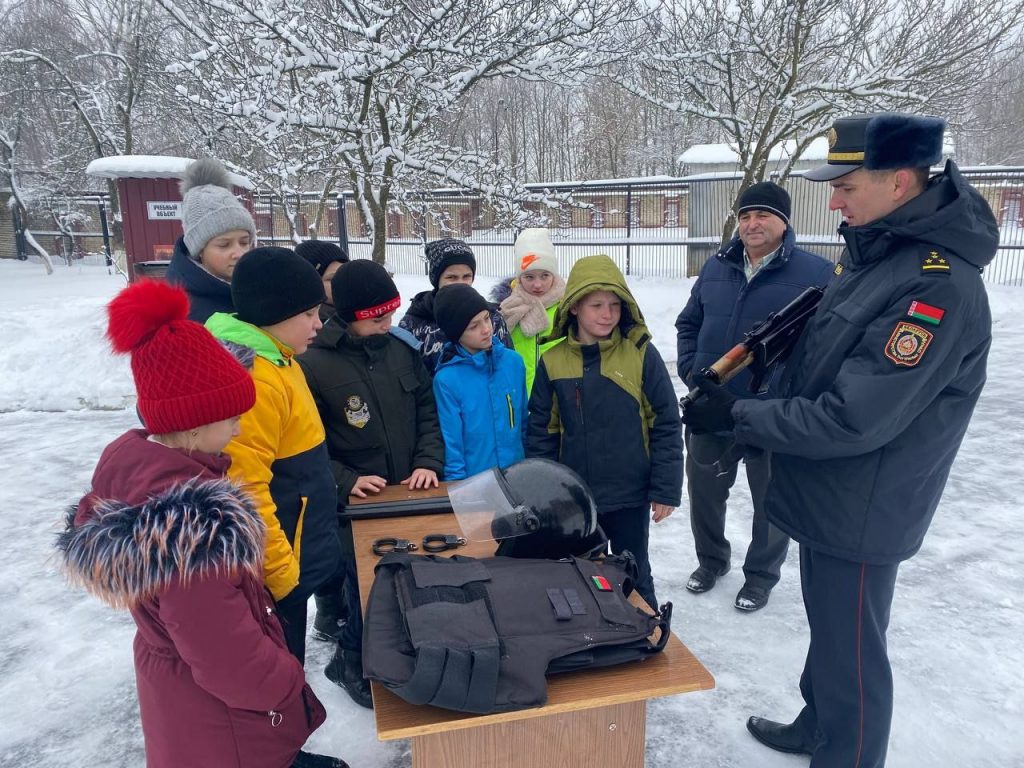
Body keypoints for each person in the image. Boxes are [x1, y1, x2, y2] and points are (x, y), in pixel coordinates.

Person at [681, 113, 997, 767]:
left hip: (864, 502)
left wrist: (739, 417)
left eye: (847, 184)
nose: (833, 199)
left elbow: (853, 416)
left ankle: (846, 750)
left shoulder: (933, 286)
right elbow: (822, 365)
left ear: (901, 181)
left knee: (853, 648)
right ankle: (818, 723)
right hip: (831, 491)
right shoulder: (876, 258)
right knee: (831, 630)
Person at [57, 279, 347, 768]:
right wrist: (285, 678)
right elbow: (230, 661)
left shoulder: (140, 472)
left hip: (187, 698)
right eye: (232, 417)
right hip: (224, 719)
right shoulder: (193, 534)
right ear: (194, 423)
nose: (239, 428)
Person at [675, 182, 834, 612]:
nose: (752, 223)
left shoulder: (818, 275)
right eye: (745, 215)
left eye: (763, 214)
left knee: (771, 502)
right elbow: (688, 323)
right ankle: (711, 561)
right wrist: (693, 373)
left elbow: (824, 349)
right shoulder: (715, 267)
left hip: (771, 414)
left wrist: (787, 394)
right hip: (712, 410)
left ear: (784, 221)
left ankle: (761, 576)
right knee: (705, 493)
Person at [298, 259, 444, 708]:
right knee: (368, 588)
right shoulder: (314, 363)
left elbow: (426, 411)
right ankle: (350, 660)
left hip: (407, 491)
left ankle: (399, 653)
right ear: (351, 315)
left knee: (411, 579)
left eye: (391, 314)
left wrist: (427, 460)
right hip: (358, 503)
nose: (388, 323)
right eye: (377, 317)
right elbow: (310, 442)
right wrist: (346, 481)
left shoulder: (401, 348)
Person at [206, 246, 342, 665]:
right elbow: (244, 490)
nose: (318, 324)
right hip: (278, 567)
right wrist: (282, 575)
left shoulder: (281, 358)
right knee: (279, 666)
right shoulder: (255, 380)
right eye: (308, 314)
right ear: (272, 313)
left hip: (297, 548)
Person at [526, 255, 683, 611]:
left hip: (629, 494)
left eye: (615, 305)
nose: (607, 314)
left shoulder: (641, 355)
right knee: (576, 574)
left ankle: (646, 634)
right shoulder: (553, 361)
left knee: (633, 570)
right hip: (574, 500)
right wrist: (544, 493)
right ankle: (587, 638)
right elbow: (541, 431)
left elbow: (666, 422)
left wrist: (665, 488)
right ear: (575, 307)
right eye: (596, 305)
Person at [432, 283, 527, 479]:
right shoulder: (447, 380)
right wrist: (457, 491)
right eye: (474, 326)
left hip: (517, 476)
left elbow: (523, 423)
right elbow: (452, 446)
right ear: (457, 334)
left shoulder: (513, 362)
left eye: (486, 318)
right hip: (476, 484)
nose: (486, 329)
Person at [398, 238, 512, 373]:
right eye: (451, 277)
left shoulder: (491, 317)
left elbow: (506, 366)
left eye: (466, 276)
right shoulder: (414, 323)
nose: (460, 283)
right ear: (436, 279)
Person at [165, 158, 257, 322]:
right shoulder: (180, 310)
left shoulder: (256, 286)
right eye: (224, 245)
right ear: (199, 250)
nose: (239, 253)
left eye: (244, 242)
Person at [491, 228, 566, 394]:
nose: (537, 284)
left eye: (545, 275)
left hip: (557, 398)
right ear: (519, 278)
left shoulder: (568, 308)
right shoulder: (507, 309)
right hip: (517, 395)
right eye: (529, 277)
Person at [296, 239, 350, 326]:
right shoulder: (311, 323)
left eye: (347, 276)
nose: (344, 283)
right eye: (332, 279)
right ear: (311, 283)